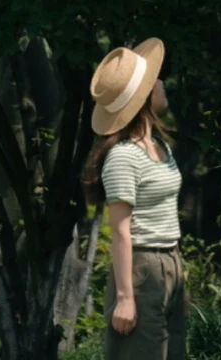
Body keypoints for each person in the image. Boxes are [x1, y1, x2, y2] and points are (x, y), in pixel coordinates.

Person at [83, 38, 187, 360]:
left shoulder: (160, 147)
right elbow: (120, 231)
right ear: (143, 96)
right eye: (154, 78)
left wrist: (175, 270)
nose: (161, 82)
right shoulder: (123, 157)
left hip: (169, 262)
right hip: (140, 269)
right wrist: (126, 298)